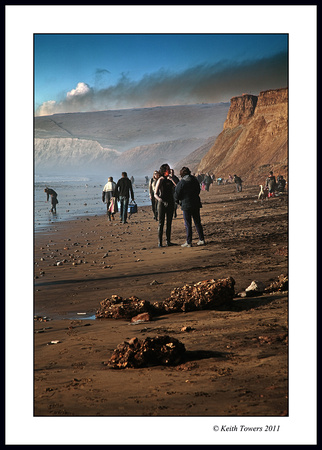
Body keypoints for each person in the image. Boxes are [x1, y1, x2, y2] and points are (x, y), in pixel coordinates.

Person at [174, 166, 205, 247]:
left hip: (186, 205)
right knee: (197, 222)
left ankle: (189, 242)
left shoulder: (182, 182)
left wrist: (178, 201)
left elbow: (176, 194)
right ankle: (201, 239)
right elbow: (198, 190)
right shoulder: (194, 180)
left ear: (182, 174)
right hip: (195, 203)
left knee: (188, 224)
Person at [154, 163, 177, 247]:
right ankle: (160, 242)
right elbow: (155, 194)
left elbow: (178, 188)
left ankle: (168, 241)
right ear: (164, 171)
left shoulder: (170, 179)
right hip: (162, 203)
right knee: (161, 223)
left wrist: (172, 180)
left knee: (169, 223)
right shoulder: (160, 179)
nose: (169, 170)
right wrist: (161, 200)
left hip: (170, 202)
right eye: (167, 169)